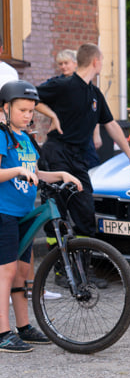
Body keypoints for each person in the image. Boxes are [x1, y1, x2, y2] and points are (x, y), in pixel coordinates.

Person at [0, 80, 82, 353]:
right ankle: (2, 332)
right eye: (22, 110)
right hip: (4, 212)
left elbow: (35, 173)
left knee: (23, 271)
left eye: (31, 110)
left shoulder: (27, 139)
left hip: (23, 213)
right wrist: (16, 172)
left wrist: (61, 174)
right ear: (5, 108)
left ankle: (23, 327)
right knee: (7, 271)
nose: (28, 115)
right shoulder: (2, 135)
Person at [34, 44, 130, 239]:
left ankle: (83, 265)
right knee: (57, 216)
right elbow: (30, 96)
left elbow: (111, 125)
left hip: (79, 157)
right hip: (56, 153)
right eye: (101, 61)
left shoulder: (95, 94)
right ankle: (58, 266)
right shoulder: (63, 85)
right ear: (96, 61)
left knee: (85, 214)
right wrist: (53, 115)